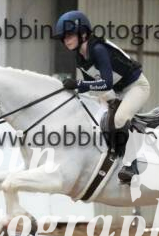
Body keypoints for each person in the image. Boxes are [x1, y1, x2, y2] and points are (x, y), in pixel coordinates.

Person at [53, 10, 150, 183]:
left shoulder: (98, 49)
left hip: (137, 87)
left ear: (83, 34)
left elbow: (105, 83)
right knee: (99, 118)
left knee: (119, 119)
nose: (66, 40)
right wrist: (73, 90)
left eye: (70, 35)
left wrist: (78, 84)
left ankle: (135, 163)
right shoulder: (80, 57)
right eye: (64, 37)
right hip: (118, 91)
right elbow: (91, 84)